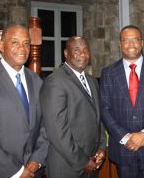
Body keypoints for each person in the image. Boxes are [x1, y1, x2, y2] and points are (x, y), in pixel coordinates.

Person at [100, 25, 144, 178]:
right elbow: (104, 109)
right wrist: (125, 136)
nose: (131, 44)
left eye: (135, 40)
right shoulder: (108, 73)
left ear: (142, 43)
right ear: (120, 44)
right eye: (126, 40)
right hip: (123, 148)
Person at [0, 25, 48, 178]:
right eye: (14, 42)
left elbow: (46, 125)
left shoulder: (37, 81)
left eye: (26, 43)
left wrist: (37, 160)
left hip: (34, 171)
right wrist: (17, 171)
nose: (22, 48)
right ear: (1, 46)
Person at [40, 36, 106, 178]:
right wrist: (83, 161)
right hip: (67, 166)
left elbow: (98, 118)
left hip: (92, 162)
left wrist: (101, 147)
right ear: (66, 53)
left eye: (85, 50)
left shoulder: (92, 81)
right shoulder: (55, 81)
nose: (83, 54)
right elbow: (58, 132)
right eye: (77, 50)